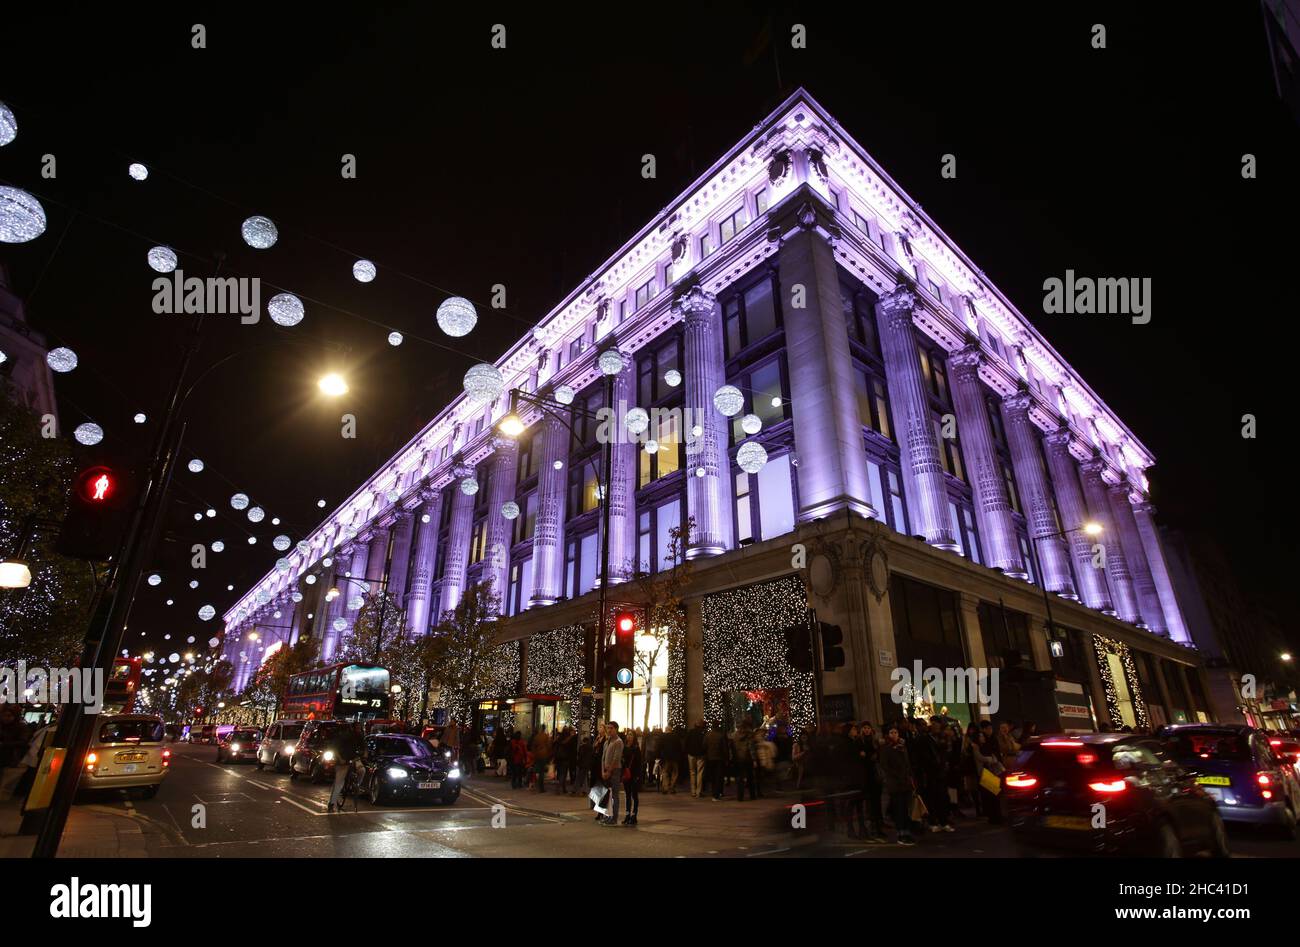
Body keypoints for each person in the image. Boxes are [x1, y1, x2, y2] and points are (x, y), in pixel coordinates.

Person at [878, 724, 915, 845]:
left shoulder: (902, 747)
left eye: (896, 732)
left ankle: (907, 832)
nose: (894, 735)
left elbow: (907, 763)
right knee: (898, 809)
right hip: (895, 783)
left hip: (905, 782)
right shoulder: (886, 748)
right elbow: (885, 766)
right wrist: (897, 775)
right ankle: (901, 833)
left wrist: (908, 776)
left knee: (905, 808)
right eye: (891, 733)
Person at [327, 723, 362, 813]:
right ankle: (331, 803)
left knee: (362, 770)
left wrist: (364, 753)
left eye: (359, 728)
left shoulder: (359, 736)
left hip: (353, 760)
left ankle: (357, 785)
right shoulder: (343, 737)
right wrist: (340, 759)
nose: (359, 729)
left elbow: (364, 746)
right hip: (342, 761)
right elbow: (334, 748)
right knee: (339, 783)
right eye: (357, 728)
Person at [860, 723, 886, 840]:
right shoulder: (861, 741)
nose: (867, 730)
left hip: (876, 774)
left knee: (877, 800)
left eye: (868, 728)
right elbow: (863, 757)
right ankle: (873, 827)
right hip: (867, 775)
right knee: (870, 802)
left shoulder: (875, 741)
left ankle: (879, 823)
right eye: (864, 728)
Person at [600, 722, 624, 826]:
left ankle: (614, 818)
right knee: (607, 795)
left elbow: (616, 758)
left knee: (614, 795)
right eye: (608, 728)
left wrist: (609, 771)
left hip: (615, 771)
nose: (609, 730)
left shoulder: (618, 742)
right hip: (606, 771)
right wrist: (603, 771)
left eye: (611, 728)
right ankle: (607, 816)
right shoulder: (606, 742)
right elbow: (603, 758)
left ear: (616, 729)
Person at [728, 719, 757, 801]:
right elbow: (751, 748)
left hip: (738, 759)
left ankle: (740, 797)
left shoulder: (733, 736)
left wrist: (731, 758)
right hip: (747, 759)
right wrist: (754, 760)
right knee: (750, 777)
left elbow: (731, 749)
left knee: (739, 779)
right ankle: (752, 795)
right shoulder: (749, 736)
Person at [621, 728, 643, 825]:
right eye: (628, 734)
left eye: (631, 734)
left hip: (634, 775)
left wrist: (638, 776)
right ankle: (627, 814)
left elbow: (639, 763)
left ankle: (634, 815)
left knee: (634, 795)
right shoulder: (624, 747)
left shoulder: (636, 748)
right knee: (627, 795)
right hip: (626, 775)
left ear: (634, 737)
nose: (629, 736)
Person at [704, 720, 728, 800]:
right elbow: (724, 748)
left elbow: (704, 746)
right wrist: (726, 758)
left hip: (710, 758)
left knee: (713, 777)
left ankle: (714, 793)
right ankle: (717, 793)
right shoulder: (720, 736)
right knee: (719, 776)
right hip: (719, 758)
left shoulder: (707, 735)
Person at [685, 719, 707, 797]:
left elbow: (686, 743)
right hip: (701, 755)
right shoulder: (704, 733)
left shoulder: (690, 732)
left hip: (691, 754)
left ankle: (693, 791)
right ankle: (698, 792)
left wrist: (688, 751)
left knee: (692, 773)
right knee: (700, 773)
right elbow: (705, 744)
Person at [658, 725, 682, 793]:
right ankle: (672, 787)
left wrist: (659, 756)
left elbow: (659, 747)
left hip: (666, 757)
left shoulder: (662, 737)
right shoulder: (676, 737)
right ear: (671, 730)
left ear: (666, 730)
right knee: (675, 772)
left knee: (665, 772)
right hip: (675, 757)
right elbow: (679, 747)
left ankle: (665, 787)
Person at [530, 724, 552, 793]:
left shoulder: (537, 736)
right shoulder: (546, 736)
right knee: (542, 771)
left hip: (537, 755)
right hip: (543, 754)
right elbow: (548, 746)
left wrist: (535, 753)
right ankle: (541, 787)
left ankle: (537, 785)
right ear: (544, 728)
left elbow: (533, 746)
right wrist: (549, 753)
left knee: (538, 770)